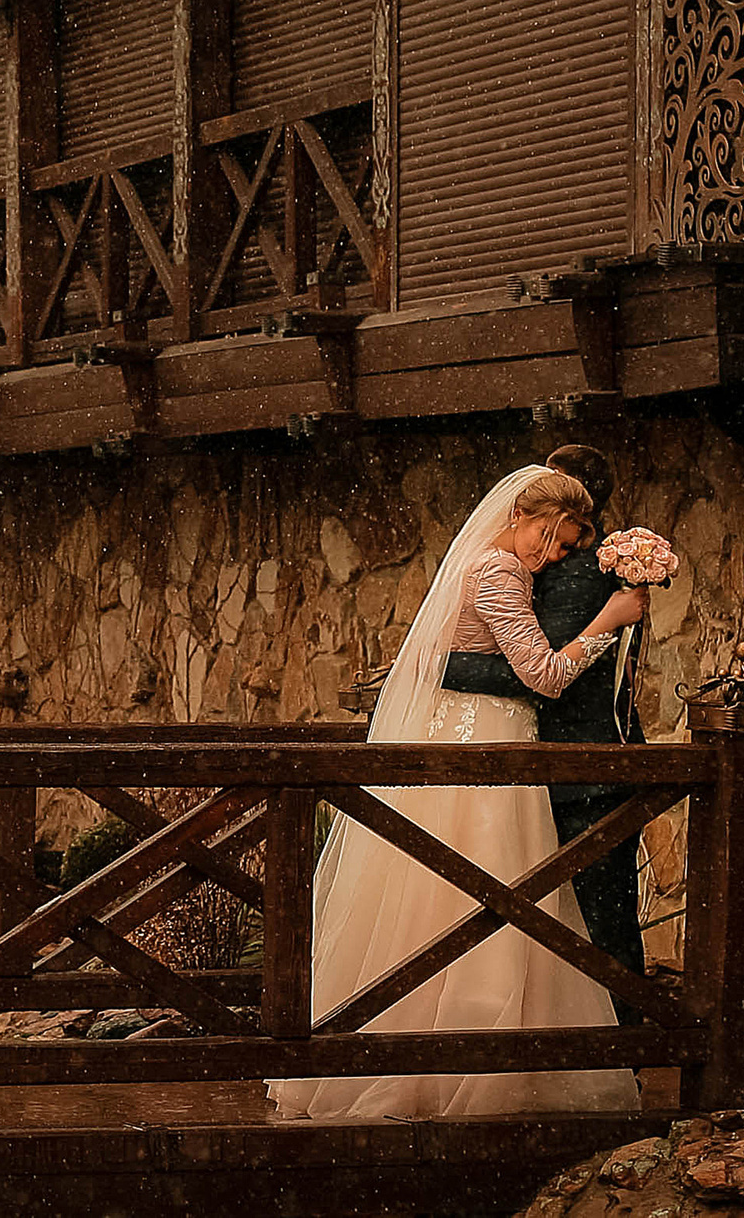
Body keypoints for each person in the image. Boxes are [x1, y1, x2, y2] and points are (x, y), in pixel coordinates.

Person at [269, 465, 648, 1121]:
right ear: (526, 516)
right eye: (551, 539)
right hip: (486, 740)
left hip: (489, 735)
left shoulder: (497, 566)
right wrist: (607, 620)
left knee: (482, 891)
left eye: (563, 548)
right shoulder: (498, 571)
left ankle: (466, 1041)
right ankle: (459, 1052)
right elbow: (542, 674)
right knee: (487, 883)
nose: (551, 556)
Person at [438, 444, 646, 997]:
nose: (553, 550)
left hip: (585, 771)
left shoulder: (580, 571)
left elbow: (541, 672)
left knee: (597, 921)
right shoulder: (509, 565)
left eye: (562, 534)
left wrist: (446, 667)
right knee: (509, 902)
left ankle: (623, 1032)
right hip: (535, 757)